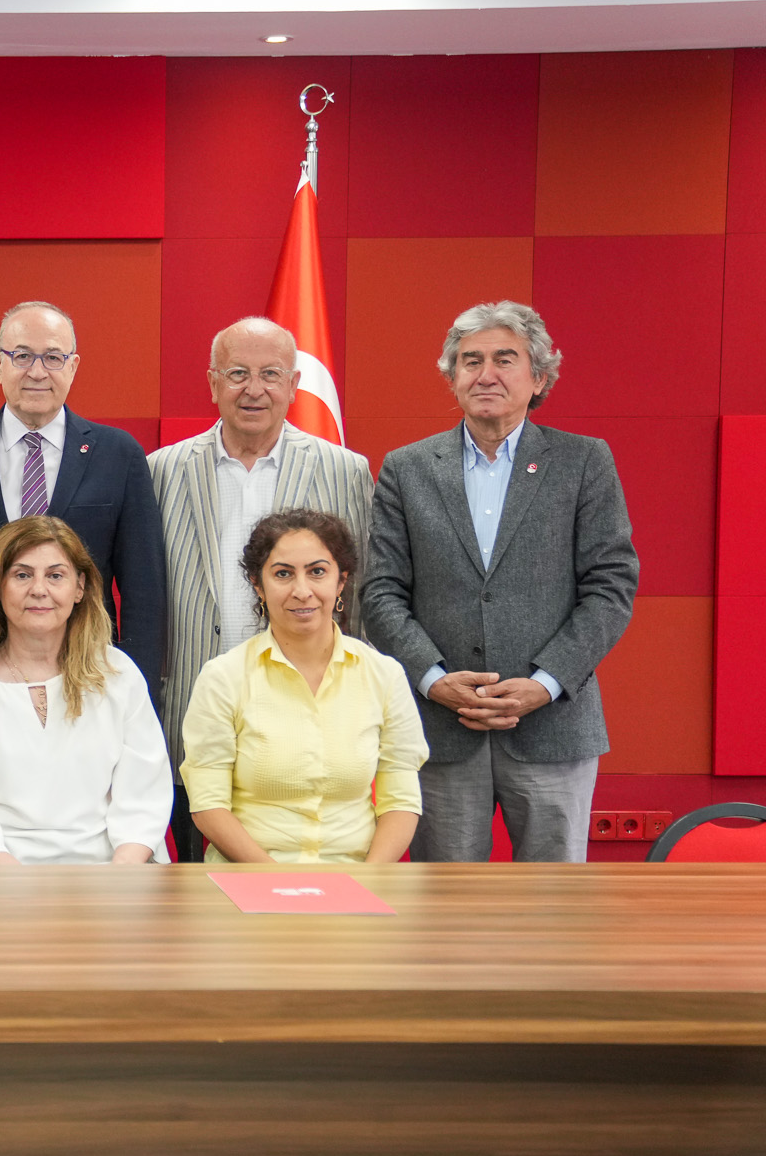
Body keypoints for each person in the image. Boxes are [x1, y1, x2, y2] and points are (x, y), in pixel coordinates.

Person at [362, 301, 637, 863]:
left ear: (539, 377)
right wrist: (434, 680)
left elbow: (610, 586)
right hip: (441, 727)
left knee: (552, 904)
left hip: (554, 726)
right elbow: (380, 591)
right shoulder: (407, 468)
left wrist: (546, 682)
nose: (485, 374)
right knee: (446, 904)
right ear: (453, 378)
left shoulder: (583, 461)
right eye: (470, 361)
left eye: (504, 359)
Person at [147, 315, 373, 861]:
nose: (254, 389)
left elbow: (361, 595)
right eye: (237, 373)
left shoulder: (345, 471)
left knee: (297, 870)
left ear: (294, 385)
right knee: (195, 876)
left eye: (271, 374)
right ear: (213, 383)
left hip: (305, 714)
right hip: (191, 703)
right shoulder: (161, 470)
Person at [0, 300, 168, 709]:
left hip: (88, 679)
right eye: (22, 356)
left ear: (73, 366)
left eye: (53, 357)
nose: (37, 372)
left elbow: (144, 591)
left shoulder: (118, 454)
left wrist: (137, 697)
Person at [0, 516, 170, 865]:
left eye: (55, 575)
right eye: (22, 575)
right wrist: (15, 883)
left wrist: (117, 880)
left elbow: (144, 797)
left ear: (80, 587)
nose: (39, 589)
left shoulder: (118, 674)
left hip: (109, 873)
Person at [182, 509, 427, 864]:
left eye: (317, 572)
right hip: (250, 879)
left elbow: (401, 800)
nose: (302, 591)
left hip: (357, 878)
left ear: (341, 582)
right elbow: (208, 804)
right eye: (283, 574)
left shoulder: (384, 675)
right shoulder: (223, 678)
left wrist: (368, 880)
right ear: (257, 584)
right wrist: (278, 882)